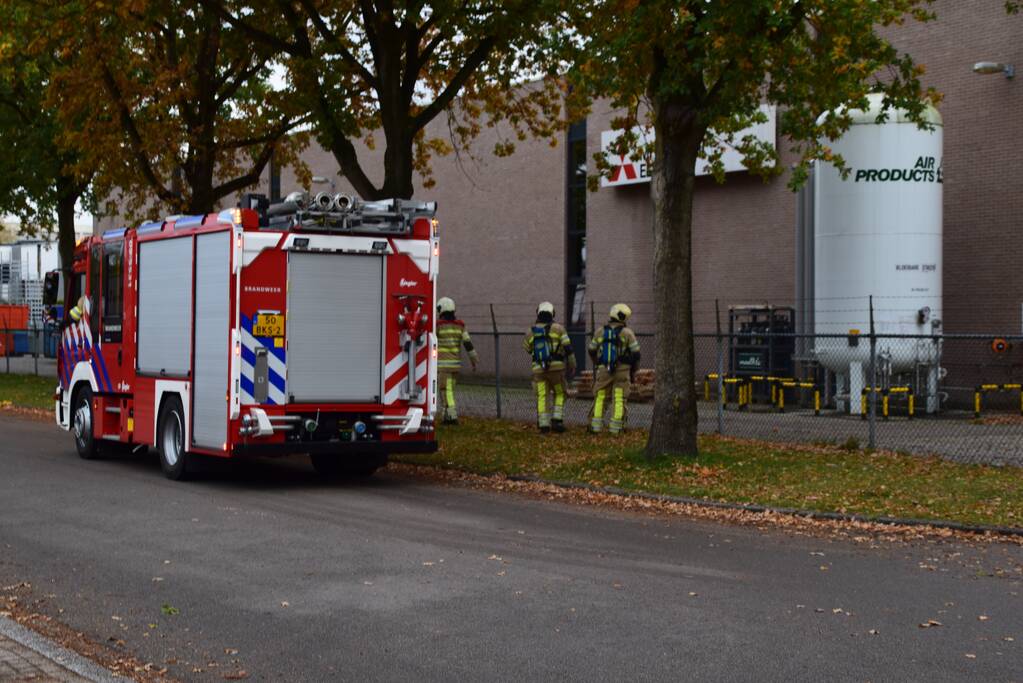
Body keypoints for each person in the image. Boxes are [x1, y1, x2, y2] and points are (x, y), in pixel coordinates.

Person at [522, 301, 576, 433]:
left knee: (542, 396)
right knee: (560, 393)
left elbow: (528, 349)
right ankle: (557, 421)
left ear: (538, 313)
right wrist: (572, 364)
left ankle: (543, 424)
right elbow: (568, 348)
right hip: (556, 370)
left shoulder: (530, 331)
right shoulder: (558, 329)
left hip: (539, 370)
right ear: (553, 313)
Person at [588, 303, 641, 434]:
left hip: (603, 369)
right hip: (622, 371)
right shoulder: (627, 333)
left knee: (600, 397)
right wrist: (632, 369)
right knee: (619, 398)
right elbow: (636, 354)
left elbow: (591, 350)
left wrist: (598, 363)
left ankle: (595, 426)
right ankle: (616, 428)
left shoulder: (600, 331)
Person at [436, 297, 478, 425]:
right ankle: (446, 418)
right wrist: (474, 359)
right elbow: (468, 343)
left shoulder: (438, 325)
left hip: (443, 366)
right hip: (455, 365)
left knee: (445, 391)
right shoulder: (460, 325)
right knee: (449, 391)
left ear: (442, 308)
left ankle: (452, 417)